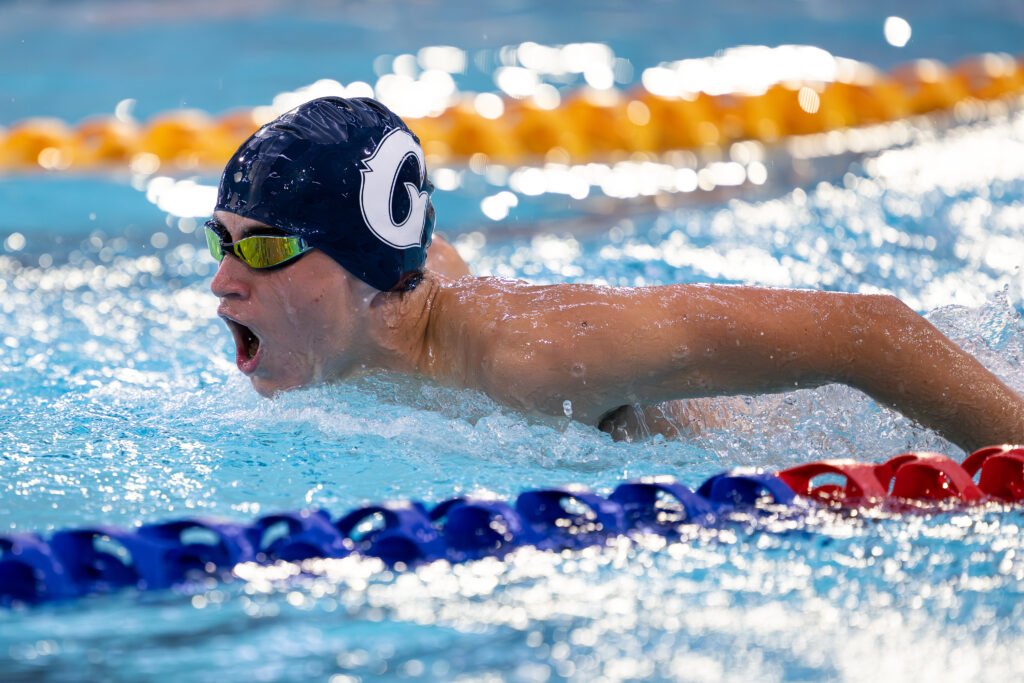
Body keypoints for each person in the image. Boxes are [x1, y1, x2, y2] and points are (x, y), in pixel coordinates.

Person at [207, 96, 1024, 453]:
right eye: (222, 242)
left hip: (792, 451)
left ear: (369, 281)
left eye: (267, 248)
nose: (222, 283)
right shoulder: (385, 298)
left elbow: (871, 329)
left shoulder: (536, 356)